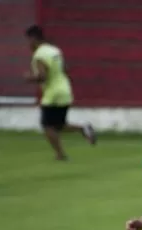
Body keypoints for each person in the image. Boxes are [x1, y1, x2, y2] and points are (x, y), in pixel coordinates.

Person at [23, 25, 96, 160]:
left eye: (28, 40)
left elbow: (42, 76)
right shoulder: (55, 50)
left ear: (33, 38)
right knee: (59, 124)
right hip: (65, 89)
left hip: (53, 93)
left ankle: (60, 154)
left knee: (47, 126)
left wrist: (28, 77)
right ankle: (83, 128)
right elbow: (65, 68)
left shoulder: (40, 54)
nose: (28, 44)